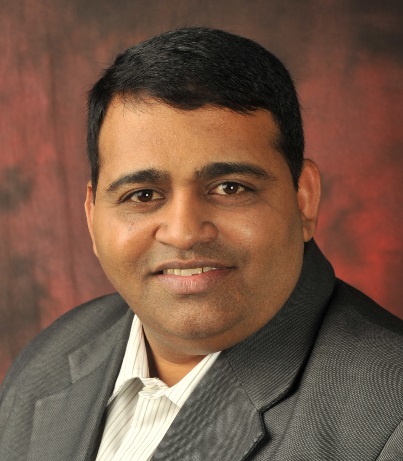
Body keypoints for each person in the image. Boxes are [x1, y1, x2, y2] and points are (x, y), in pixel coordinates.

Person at [0, 27, 402, 461]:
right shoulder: (50, 358)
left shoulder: (388, 422)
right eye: (143, 195)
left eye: (230, 188)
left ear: (303, 197)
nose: (184, 233)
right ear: (92, 214)